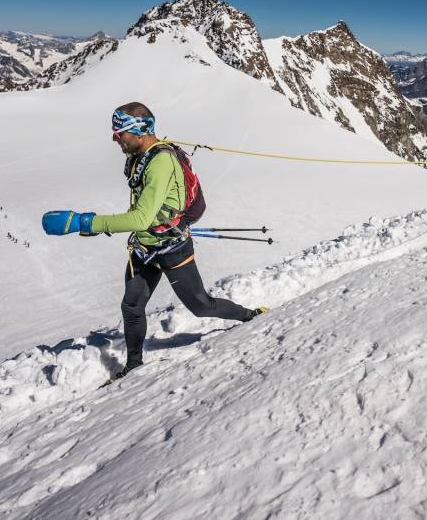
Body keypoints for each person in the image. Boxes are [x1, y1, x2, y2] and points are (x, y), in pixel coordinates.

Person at [41, 103, 266, 379]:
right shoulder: (140, 156)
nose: (115, 138)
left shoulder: (160, 162)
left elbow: (140, 219)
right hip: (145, 247)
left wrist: (84, 222)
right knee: (132, 306)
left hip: (172, 247)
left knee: (200, 306)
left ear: (140, 130)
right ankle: (133, 365)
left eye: (119, 132)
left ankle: (251, 316)